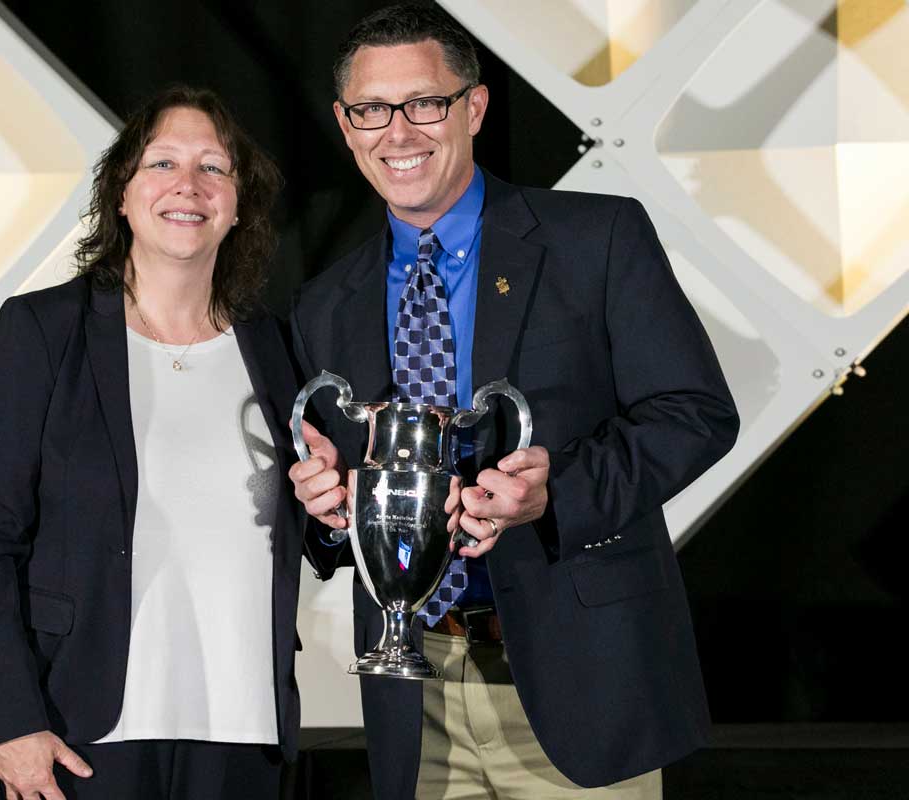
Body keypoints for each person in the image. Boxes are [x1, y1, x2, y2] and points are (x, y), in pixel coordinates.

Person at [288, 5, 739, 799]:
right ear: (345, 125)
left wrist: (553, 496)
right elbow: (340, 508)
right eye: (371, 110)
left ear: (475, 107)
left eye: (425, 102)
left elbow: (694, 412)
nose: (399, 131)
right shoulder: (325, 304)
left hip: (581, 680)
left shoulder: (594, 239)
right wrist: (322, 510)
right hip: (414, 695)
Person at [0, 85, 302, 800]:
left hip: (243, 731)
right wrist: (11, 722)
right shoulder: (42, 331)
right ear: (121, 193)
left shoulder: (275, 347)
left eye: (214, 167)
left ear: (238, 204)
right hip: (77, 733)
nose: (188, 185)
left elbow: (313, 523)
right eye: (162, 163)